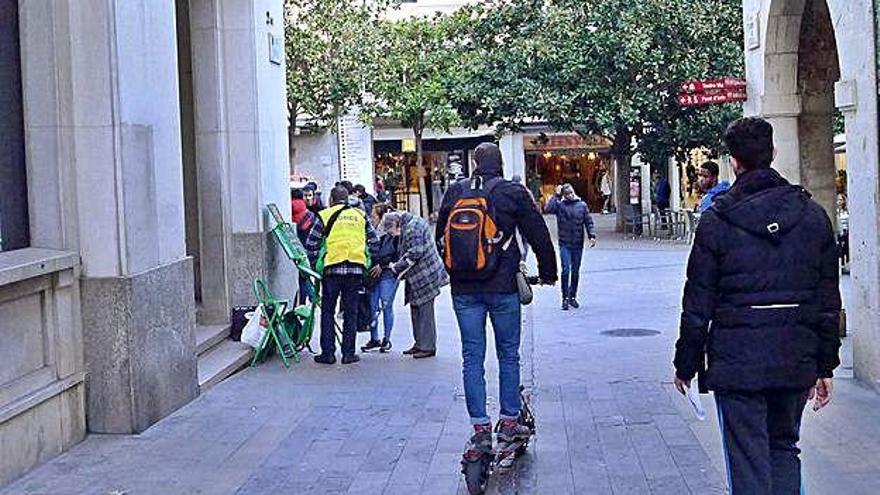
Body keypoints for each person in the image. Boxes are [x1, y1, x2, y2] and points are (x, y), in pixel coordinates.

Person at [673, 117, 841, 495]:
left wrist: (686, 362)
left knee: (747, 459)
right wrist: (825, 363)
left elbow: (698, 300)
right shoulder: (813, 217)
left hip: (738, 361)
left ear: (734, 161)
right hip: (795, 355)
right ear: (773, 154)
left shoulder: (716, 220)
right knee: (784, 447)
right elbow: (828, 300)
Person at [436, 143, 557, 461]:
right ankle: (508, 421)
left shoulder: (455, 191)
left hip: (464, 290)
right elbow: (538, 234)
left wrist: (457, 270)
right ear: (500, 163)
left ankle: (479, 427)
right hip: (503, 287)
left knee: (471, 358)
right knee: (508, 355)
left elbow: (440, 236)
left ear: (474, 163)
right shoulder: (512, 192)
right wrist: (548, 273)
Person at [305, 185, 379, 365]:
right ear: (347, 199)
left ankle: (328, 353)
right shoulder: (360, 216)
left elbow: (311, 243)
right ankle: (348, 353)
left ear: (331, 199)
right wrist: (368, 259)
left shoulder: (324, 215)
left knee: (328, 311)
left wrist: (316, 264)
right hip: (355, 269)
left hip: (332, 269)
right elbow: (374, 242)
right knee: (351, 312)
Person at [381, 210, 448, 359]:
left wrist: (396, 267)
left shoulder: (413, 227)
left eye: (391, 232)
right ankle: (419, 343)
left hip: (425, 274)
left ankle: (427, 346)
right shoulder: (409, 224)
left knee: (425, 310)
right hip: (417, 275)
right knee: (415, 307)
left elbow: (415, 253)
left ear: (396, 224)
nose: (393, 235)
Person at [544, 183, 597, 310]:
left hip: (577, 243)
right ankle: (565, 297)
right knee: (565, 270)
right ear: (564, 195)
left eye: (571, 193)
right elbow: (548, 209)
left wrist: (592, 235)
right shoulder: (560, 206)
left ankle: (573, 295)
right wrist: (556, 195)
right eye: (567, 194)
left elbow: (588, 221)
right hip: (565, 243)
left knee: (575, 271)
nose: (570, 195)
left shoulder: (582, 205)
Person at [361, 203, 400, 353]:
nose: (371, 219)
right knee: (372, 306)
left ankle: (386, 338)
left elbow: (396, 254)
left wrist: (381, 264)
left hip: (387, 274)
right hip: (374, 274)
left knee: (385, 305)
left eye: (374, 216)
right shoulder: (374, 233)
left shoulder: (393, 234)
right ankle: (374, 337)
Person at [291, 189, 319, 305]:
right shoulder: (310, 215)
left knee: (300, 279)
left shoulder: (289, 214)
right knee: (305, 277)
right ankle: (310, 298)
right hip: (308, 250)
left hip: (294, 250)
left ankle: (302, 302)